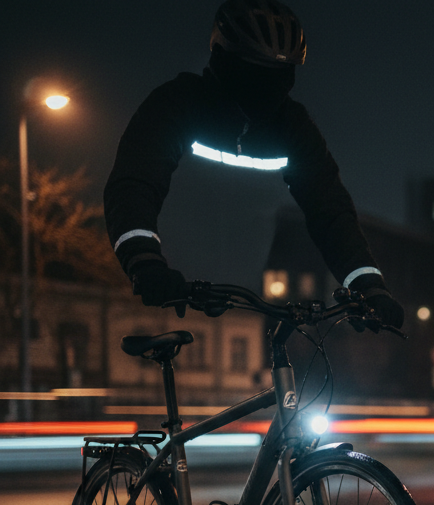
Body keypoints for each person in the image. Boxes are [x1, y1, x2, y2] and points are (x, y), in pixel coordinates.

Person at [104, 0, 403, 328]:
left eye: (279, 74)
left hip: (258, 313)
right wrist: (144, 262)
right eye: (254, 71)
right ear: (224, 59)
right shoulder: (178, 105)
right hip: (168, 299)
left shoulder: (292, 127)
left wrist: (368, 286)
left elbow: (330, 210)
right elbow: (135, 184)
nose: (268, 87)